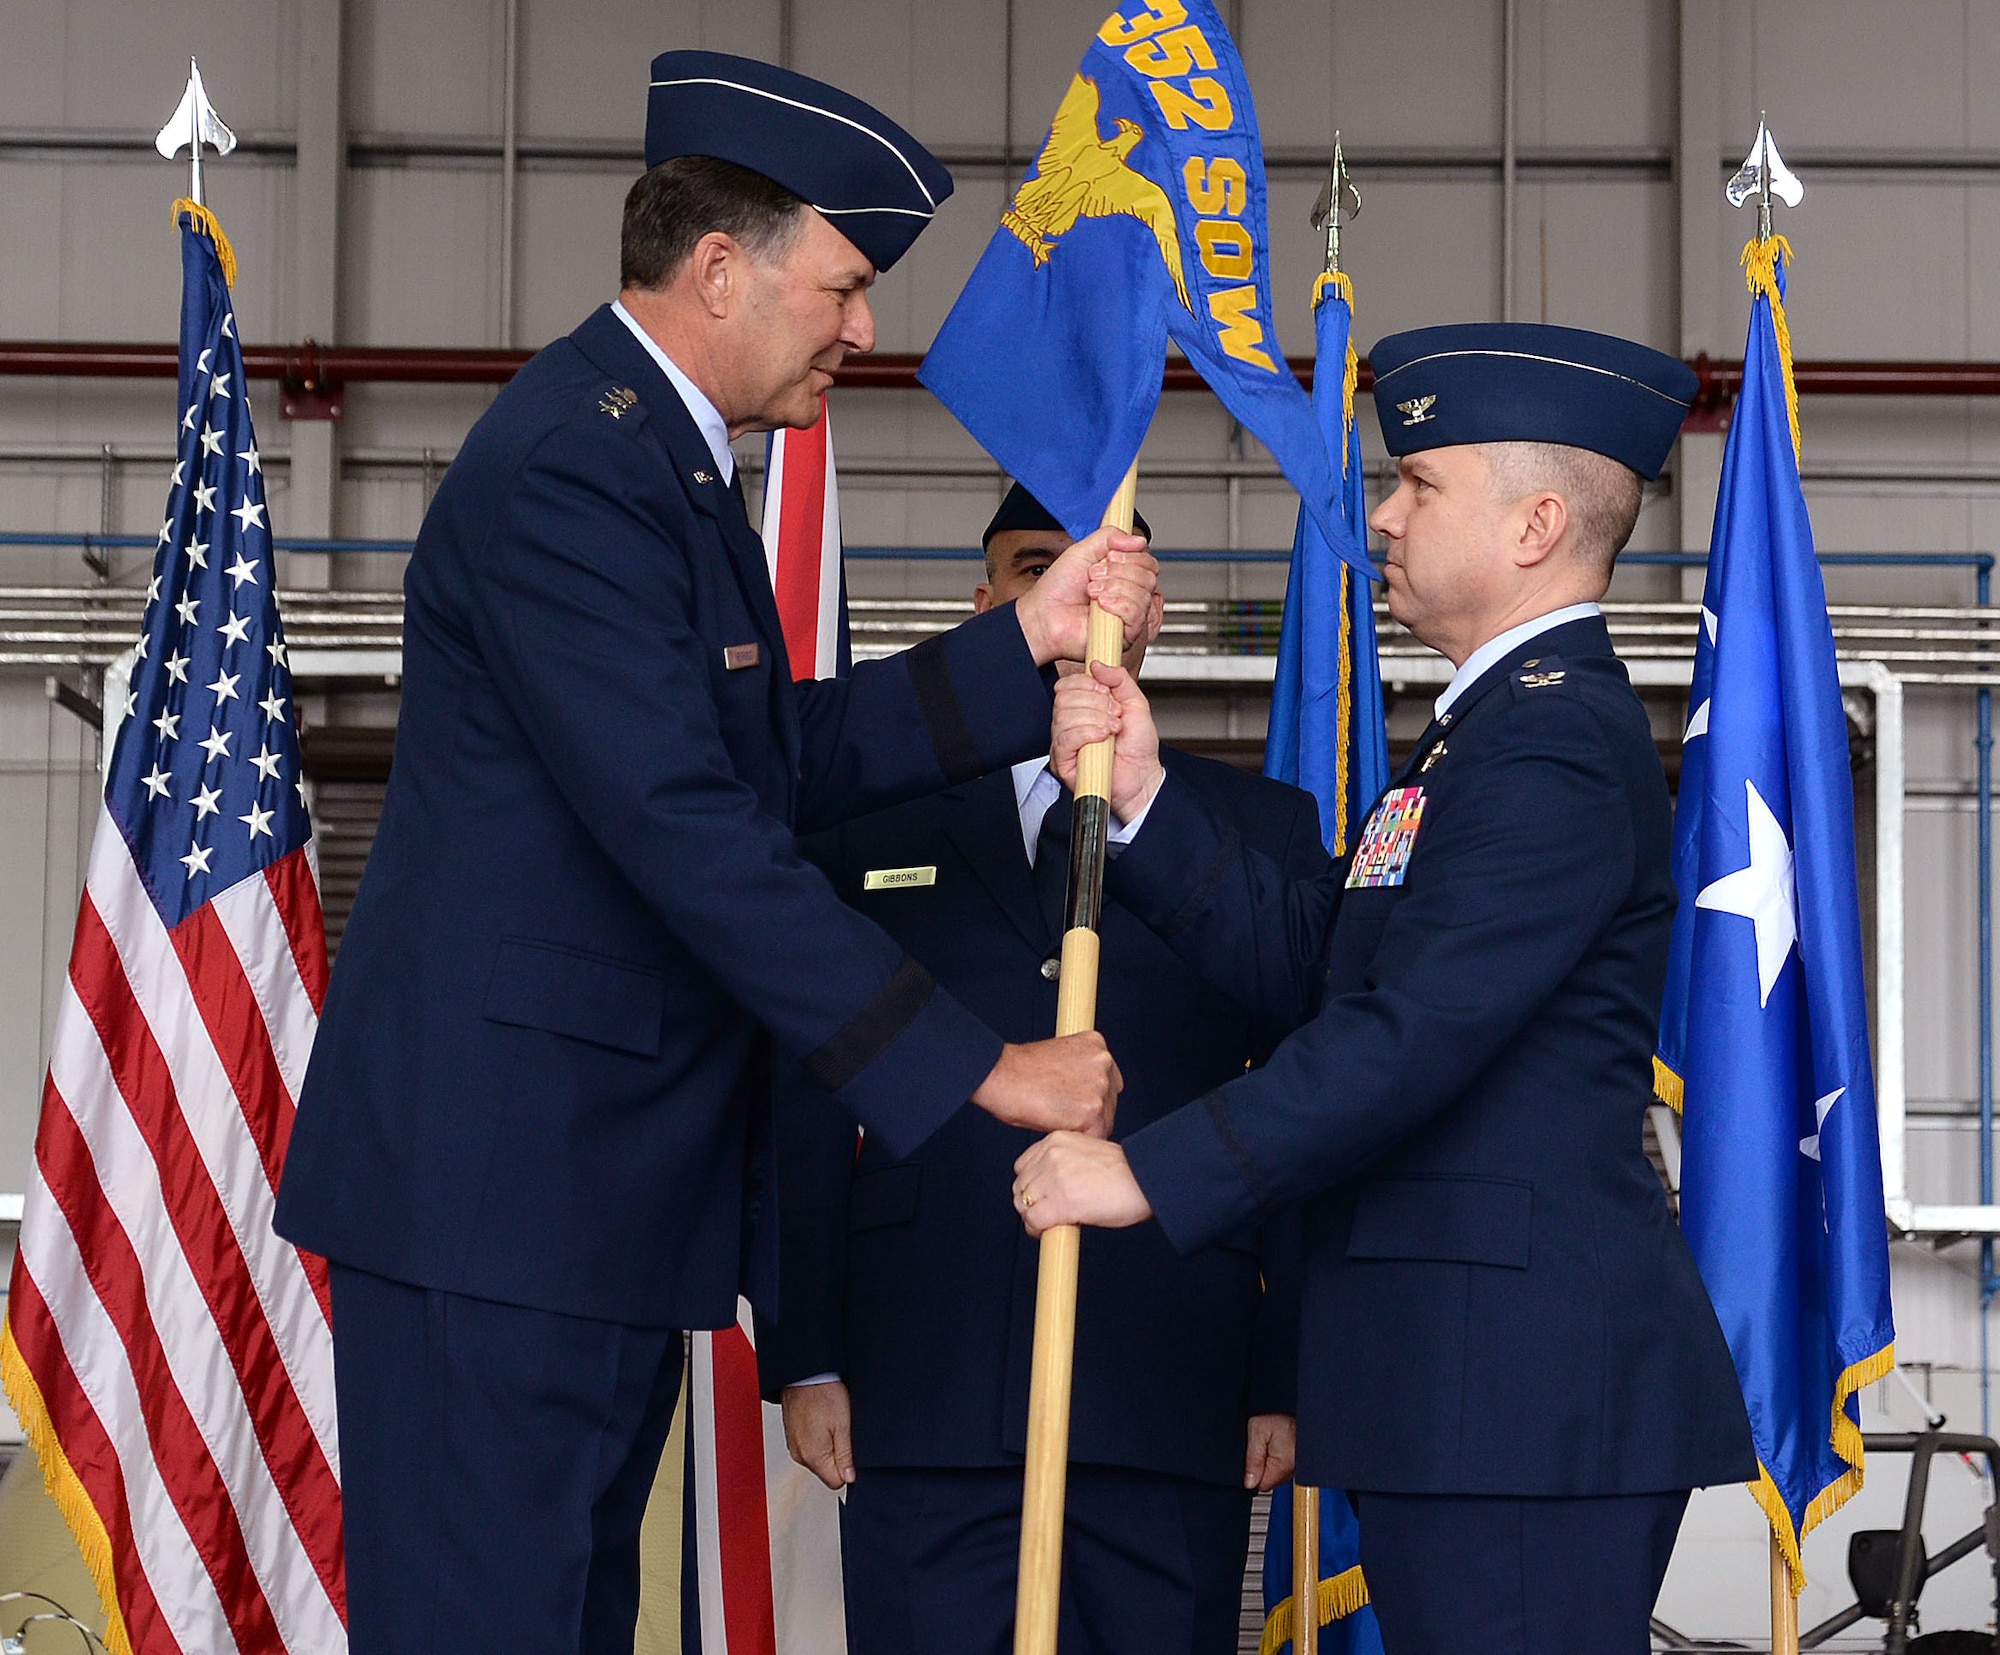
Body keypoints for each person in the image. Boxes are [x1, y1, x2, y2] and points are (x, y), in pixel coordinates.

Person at [273, 54, 1159, 1655]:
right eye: (845, 285)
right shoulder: (575, 469)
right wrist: (987, 1068)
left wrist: (1021, 645)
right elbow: (691, 833)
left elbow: (775, 756)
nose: (865, 328)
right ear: (719, 269)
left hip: (577, 1201)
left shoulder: (659, 467)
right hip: (507, 1201)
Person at [1013, 323, 1758, 1655]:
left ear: (1535, 524)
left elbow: (1411, 1035)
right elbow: (1330, 962)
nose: (1385, 509)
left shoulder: (1552, 750)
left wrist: (1150, 1173)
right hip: (1467, 1381)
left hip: (1519, 1394)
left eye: (1419, 482)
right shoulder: (1492, 730)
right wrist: (1144, 795)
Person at [759, 484, 1323, 1655]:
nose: (1070, 594)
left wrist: (1279, 1368)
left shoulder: (1257, 827)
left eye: (1105, 568)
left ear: (1150, 609)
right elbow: (810, 1091)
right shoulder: (874, 820)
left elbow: (1299, 1091)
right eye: (1032, 567)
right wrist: (807, 1348)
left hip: (1169, 1376)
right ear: (988, 602)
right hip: (923, 1379)